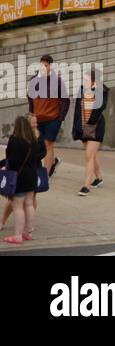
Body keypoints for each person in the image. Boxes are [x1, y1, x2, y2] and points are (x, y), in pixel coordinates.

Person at [4, 114, 45, 243]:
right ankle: (27, 233)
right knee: (29, 204)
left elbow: (12, 159)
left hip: (19, 177)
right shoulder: (33, 140)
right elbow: (39, 155)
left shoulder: (14, 139)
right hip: (32, 175)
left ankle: (17, 236)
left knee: (17, 207)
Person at [27, 54, 69, 178]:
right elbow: (30, 97)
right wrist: (31, 115)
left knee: (48, 144)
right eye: (41, 65)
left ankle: (45, 175)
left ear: (50, 66)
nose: (43, 68)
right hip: (37, 119)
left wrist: (60, 117)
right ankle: (49, 166)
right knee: (37, 145)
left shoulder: (57, 81)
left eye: (45, 65)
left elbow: (65, 100)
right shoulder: (34, 80)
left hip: (52, 119)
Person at [72, 68, 109, 197]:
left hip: (95, 126)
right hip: (83, 126)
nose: (84, 81)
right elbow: (77, 110)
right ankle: (99, 177)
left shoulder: (101, 91)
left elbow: (100, 107)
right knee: (92, 155)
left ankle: (86, 186)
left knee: (89, 155)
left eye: (86, 79)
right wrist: (77, 128)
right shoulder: (82, 90)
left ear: (94, 81)